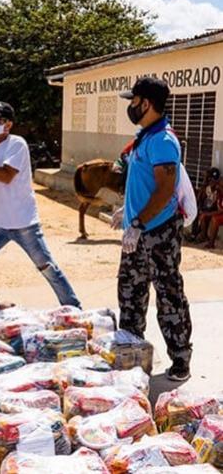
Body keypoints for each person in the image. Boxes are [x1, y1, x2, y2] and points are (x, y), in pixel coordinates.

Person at [0, 101, 81, 308]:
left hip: (23, 222)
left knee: (47, 267)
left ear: (8, 124)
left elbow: (6, 175)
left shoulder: (16, 144)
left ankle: (74, 308)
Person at [113, 77, 192, 381]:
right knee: (131, 293)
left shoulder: (162, 140)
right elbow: (143, 184)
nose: (130, 106)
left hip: (158, 232)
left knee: (168, 294)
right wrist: (128, 212)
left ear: (146, 103)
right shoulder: (146, 136)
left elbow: (164, 190)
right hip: (138, 229)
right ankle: (133, 356)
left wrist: (138, 221)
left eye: (133, 101)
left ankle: (181, 360)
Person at [189, 167, 220, 241]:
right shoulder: (206, 188)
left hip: (213, 209)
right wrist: (204, 184)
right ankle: (194, 234)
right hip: (205, 207)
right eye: (210, 179)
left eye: (214, 180)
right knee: (197, 212)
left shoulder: (218, 190)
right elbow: (199, 198)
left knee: (203, 215)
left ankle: (203, 235)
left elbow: (217, 206)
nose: (212, 182)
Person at [196, 179, 223, 249]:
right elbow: (212, 205)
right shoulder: (218, 193)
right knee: (203, 215)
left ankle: (211, 243)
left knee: (214, 219)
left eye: (220, 185)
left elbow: (220, 211)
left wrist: (207, 214)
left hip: (220, 213)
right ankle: (203, 235)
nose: (218, 186)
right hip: (219, 212)